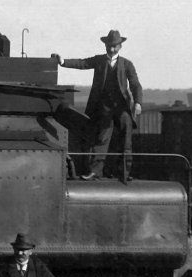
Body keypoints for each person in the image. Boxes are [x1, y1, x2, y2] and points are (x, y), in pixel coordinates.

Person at [55, 29, 142, 182]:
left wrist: (138, 102)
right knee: (101, 139)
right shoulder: (99, 60)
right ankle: (95, 172)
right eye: (109, 46)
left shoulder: (127, 64)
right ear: (105, 46)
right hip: (104, 108)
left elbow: (135, 84)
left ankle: (124, 173)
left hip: (122, 108)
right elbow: (83, 63)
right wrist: (63, 62)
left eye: (115, 46)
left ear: (120, 46)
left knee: (125, 141)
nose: (112, 49)